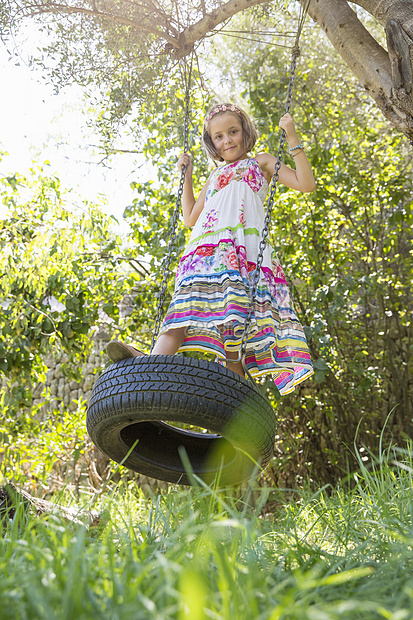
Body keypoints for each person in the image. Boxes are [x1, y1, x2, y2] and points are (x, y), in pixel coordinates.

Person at [107, 103, 316, 395]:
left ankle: (235, 408)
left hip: (243, 253)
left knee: (234, 330)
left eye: (232, 132)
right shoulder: (215, 176)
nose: (227, 140)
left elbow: (306, 184)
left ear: (245, 131)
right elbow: (191, 217)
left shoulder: (261, 162)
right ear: (212, 143)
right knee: (181, 312)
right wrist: (187, 174)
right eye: (218, 136)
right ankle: (151, 366)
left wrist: (292, 138)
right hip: (205, 252)